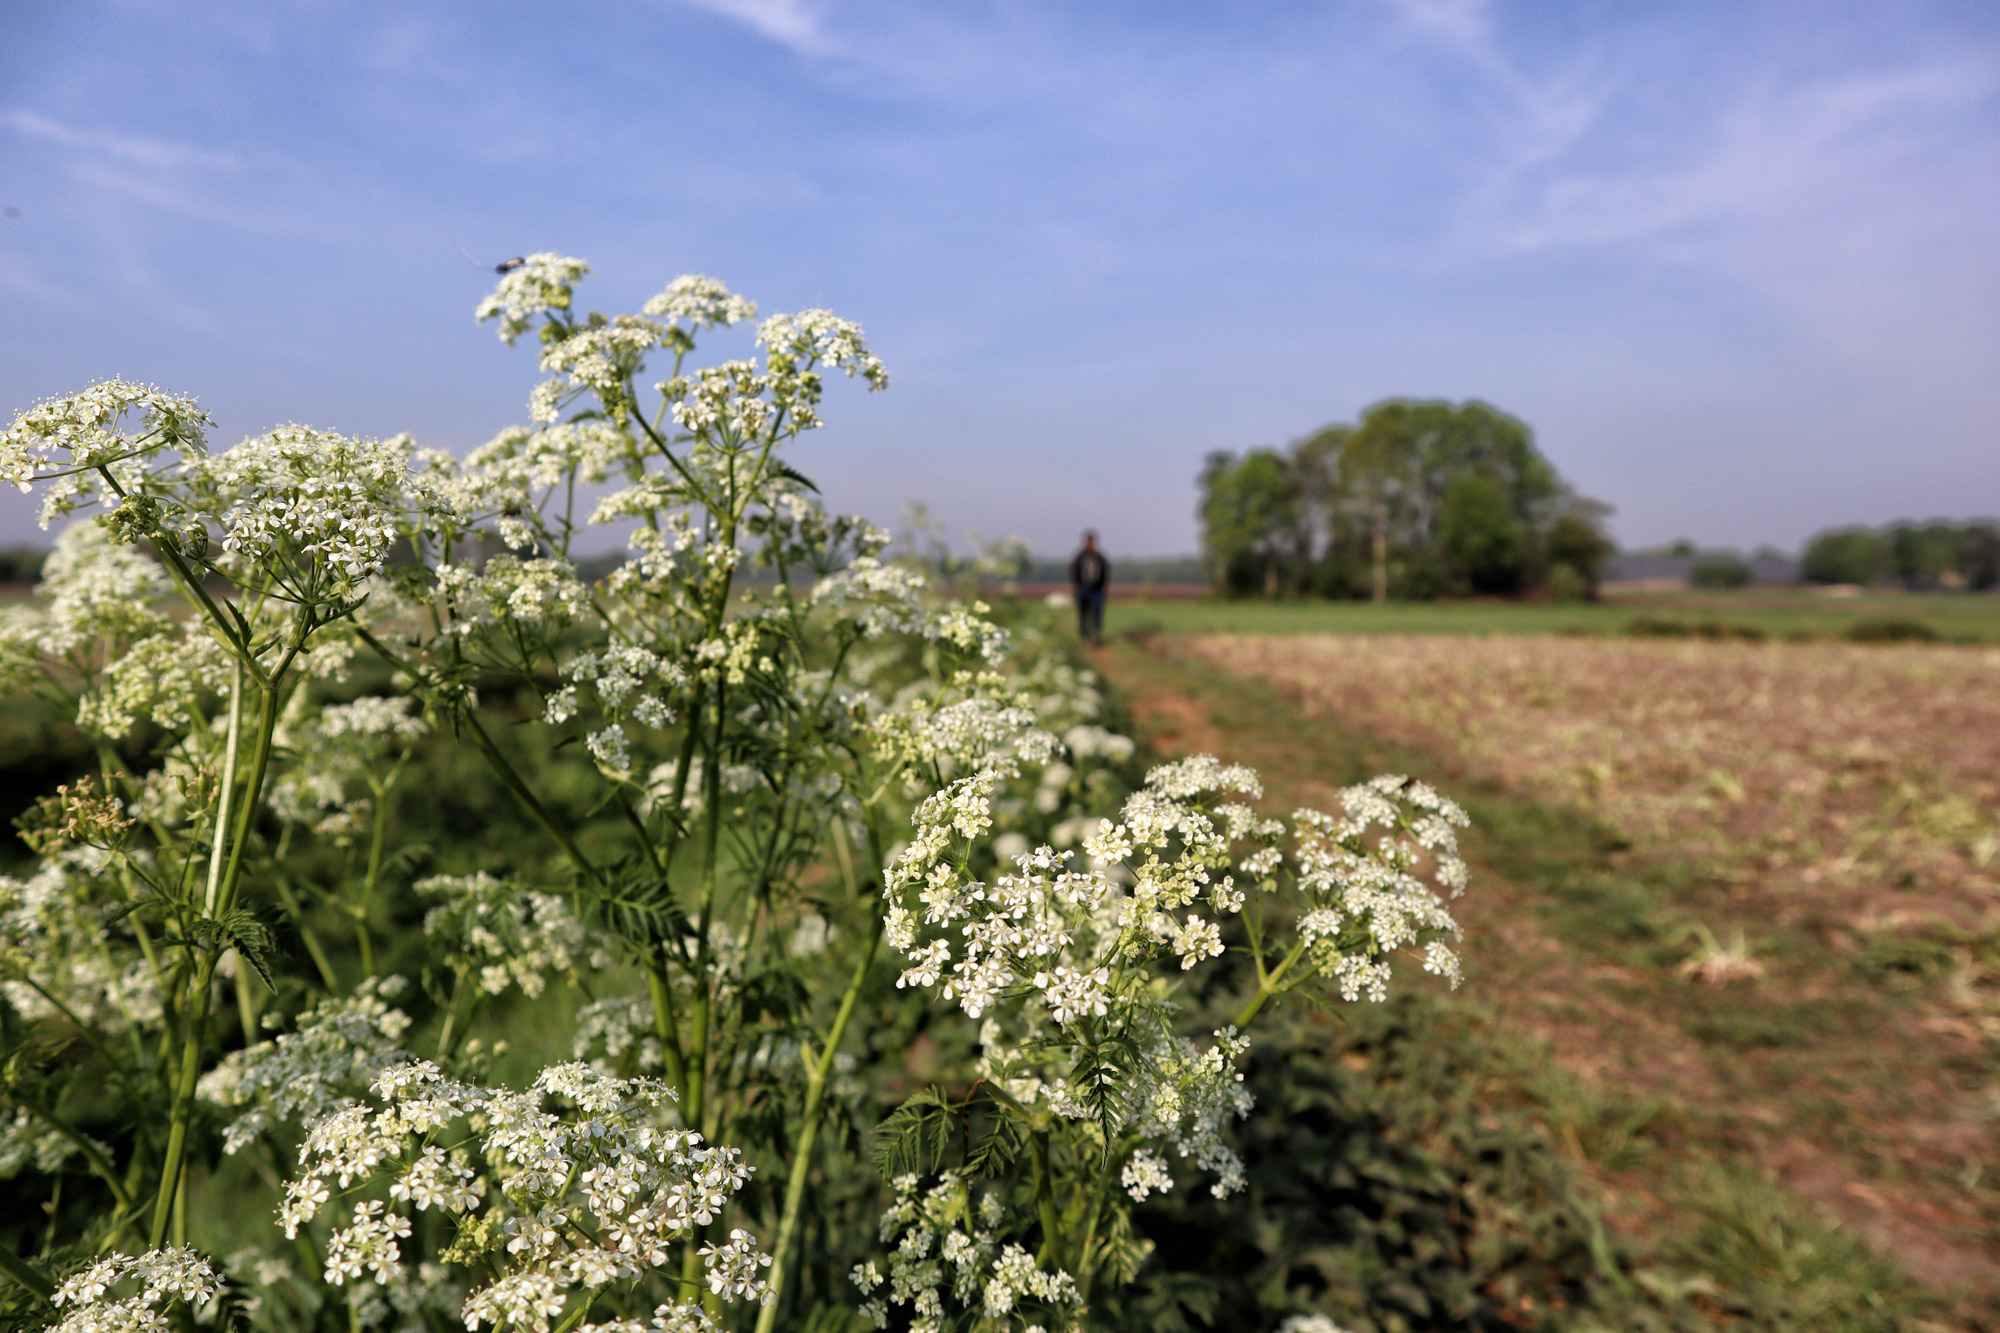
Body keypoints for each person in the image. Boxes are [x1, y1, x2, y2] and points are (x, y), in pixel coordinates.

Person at [1069, 530, 1110, 645]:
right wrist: (1077, 587)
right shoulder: (1080, 557)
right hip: (1083, 589)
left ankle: (1096, 635)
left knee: (1097, 613)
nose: (1089, 544)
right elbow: (1074, 571)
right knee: (1083, 615)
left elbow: (1105, 573)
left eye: (1091, 542)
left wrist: (1103, 589)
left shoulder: (1099, 557)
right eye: (1088, 542)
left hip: (1096, 590)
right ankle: (1085, 637)